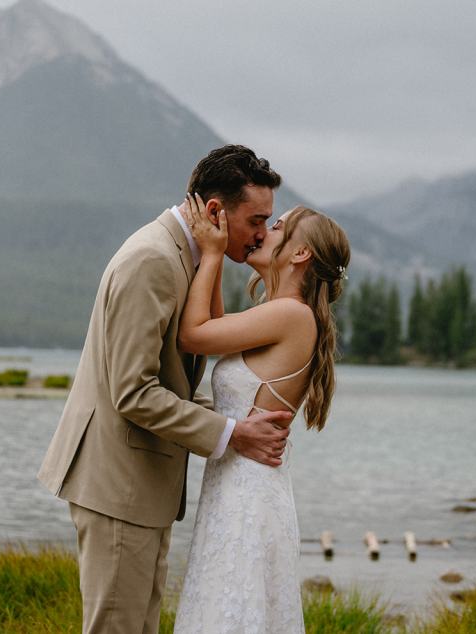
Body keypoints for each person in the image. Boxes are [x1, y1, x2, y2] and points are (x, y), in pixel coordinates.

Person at [37, 145, 295, 634]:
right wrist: (230, 434)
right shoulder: (153, 260)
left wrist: (237, 420)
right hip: (117, 482)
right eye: (257, 219)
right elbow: (133, 392)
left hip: (137, 484)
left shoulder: (185, 257)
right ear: (216, 212)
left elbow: (167, 379)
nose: (263, 233)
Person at [173, 193, 350, 633]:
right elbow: (214, 324)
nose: (262, 232)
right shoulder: (278, 313)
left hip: (248, 494)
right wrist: (213, 256)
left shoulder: (292, 315)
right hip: (237, 487)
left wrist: (211, 252)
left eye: (276, 227)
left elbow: (193, 335)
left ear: (301, 252)